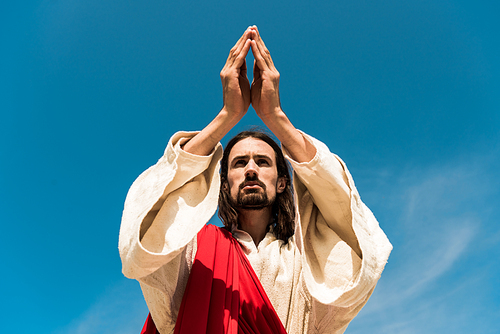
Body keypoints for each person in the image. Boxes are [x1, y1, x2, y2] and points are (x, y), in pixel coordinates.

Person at [119, 26, 392, 334]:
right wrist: (227, 116)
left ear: (282, 182)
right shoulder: (193, 253)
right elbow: (139, 247)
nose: (250, 169)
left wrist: (275, 117)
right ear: (224, 184)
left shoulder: (311, 265)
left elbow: (361, 249)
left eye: (262, 162)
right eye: (238, 163)